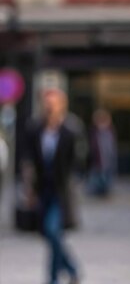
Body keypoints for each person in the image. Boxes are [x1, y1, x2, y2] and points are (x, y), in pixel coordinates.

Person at [23, 88, 80, 284]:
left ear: (61, 106)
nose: (49, 108)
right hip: (42, 190)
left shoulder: (70, 130)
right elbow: (28, 160)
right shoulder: (34, 129)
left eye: (53, 105)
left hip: (61, 192)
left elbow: (78, 161)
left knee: (53, 231)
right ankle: (72, 267)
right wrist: (29, 188)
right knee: (49, 234)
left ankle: (53, 279)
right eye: (46, 105)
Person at [86, 109, 117, 197]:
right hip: (96, 161)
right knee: (96, 181)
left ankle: (104, 191)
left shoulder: (110, 131)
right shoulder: (93, 132)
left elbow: (112, 148)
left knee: (106, 181)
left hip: (108, 161)